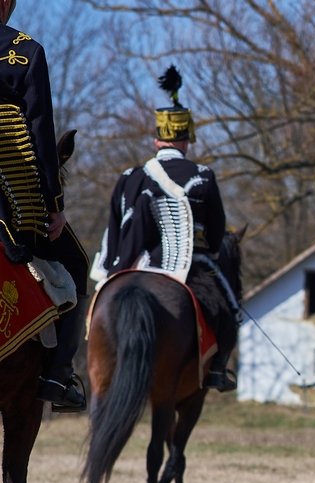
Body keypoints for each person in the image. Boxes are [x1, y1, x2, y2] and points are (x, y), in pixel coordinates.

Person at [95, 65, 237, 392]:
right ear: (186, 139)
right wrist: (211, 251)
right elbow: (216, 235)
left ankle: (64, 369)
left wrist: (116, 266)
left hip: (132, 264)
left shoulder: (130, 177)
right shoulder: (203, 176)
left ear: (156, 138)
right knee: (226, 308)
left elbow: (116, 228)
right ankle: (217, 370)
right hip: (189, 267)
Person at [0, 0, 89, 412]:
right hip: (9, 205)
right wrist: (53, 204)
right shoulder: (25, 51)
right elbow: (38, 131)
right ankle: (58, 374)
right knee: (75, 262)